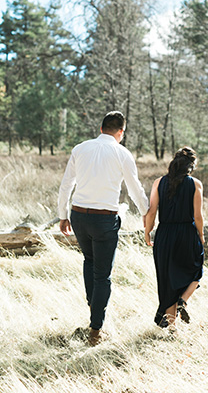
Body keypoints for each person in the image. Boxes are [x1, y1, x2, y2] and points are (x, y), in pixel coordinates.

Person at [58, 111, 149, 346]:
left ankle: (94, 306)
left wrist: (63, 214)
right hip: (105, 220)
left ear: (101, 129)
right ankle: (96, 329)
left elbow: (67, 183)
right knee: (103, 275)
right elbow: (134, 187)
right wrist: (146, 212)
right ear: (121, 132)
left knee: (89, 261)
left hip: (78, 215)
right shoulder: (122, 153)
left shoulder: (80, 148)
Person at [144, 146, 205, 329]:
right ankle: (183, 301)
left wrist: (148, 232)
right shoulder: (195, 184)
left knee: (168, 282)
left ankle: (173, 329)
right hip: (187, 233)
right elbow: (198, 216)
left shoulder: (158, 182)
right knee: (196, 271)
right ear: (191, 166)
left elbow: (152, 211)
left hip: (165, 235)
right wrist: (201, 235)